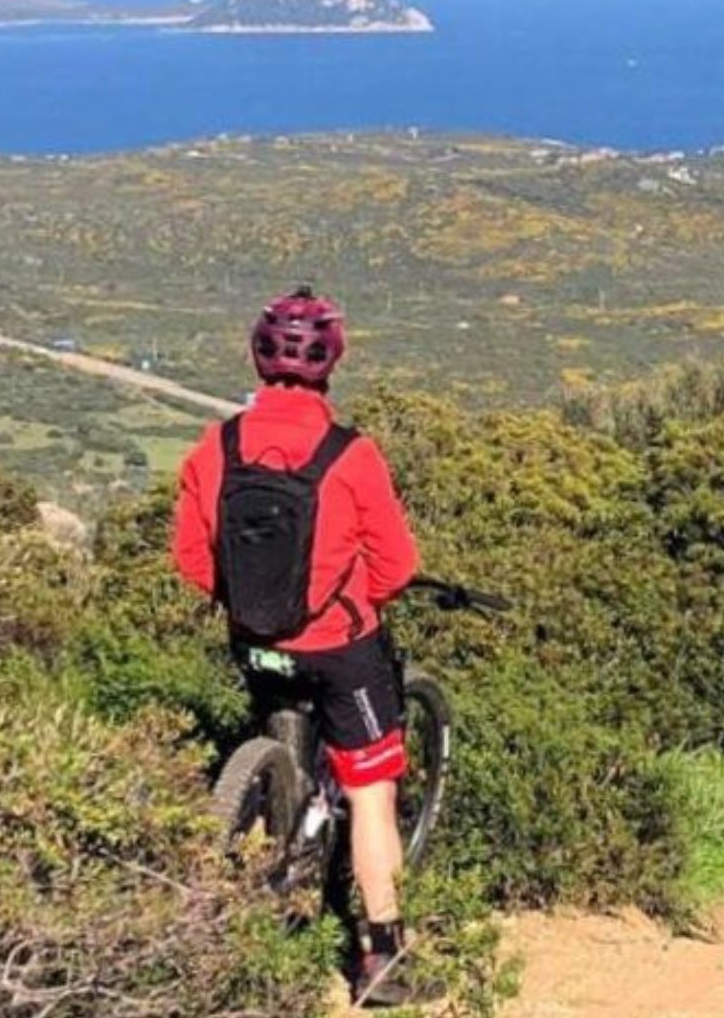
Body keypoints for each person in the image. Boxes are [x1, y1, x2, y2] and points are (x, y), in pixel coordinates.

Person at [171, 287, 424, 1007]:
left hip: (254, 642)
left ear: (257, 356)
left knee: (278, 711)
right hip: (341, 648)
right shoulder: (351, 455)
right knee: (372, 792)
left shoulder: (213, 448)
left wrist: (248, 607)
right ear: (331, 362)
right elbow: (397, 568)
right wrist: (350, 605)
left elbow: (192, 557)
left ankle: (268, 823)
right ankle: (381, 954)